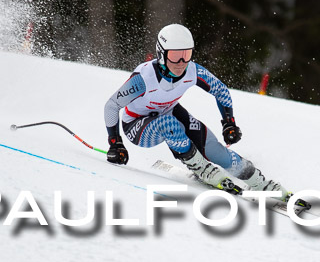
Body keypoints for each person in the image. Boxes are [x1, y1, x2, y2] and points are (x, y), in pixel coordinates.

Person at [104, 23, 291, 199]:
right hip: (137, 125)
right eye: (175, 55)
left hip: (169, 112)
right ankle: (201, 168)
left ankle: (260, 183)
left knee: (214, 150)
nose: (182, 62)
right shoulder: (144, 78)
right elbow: (112, 106)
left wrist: (229, 123)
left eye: (187, 54)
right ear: (161, 54)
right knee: (170, 125)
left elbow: (221, 90)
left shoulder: (192, 70)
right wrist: (115, 143)